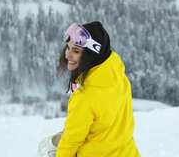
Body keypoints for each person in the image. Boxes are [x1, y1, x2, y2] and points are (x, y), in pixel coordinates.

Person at [53, 21, 140, 157]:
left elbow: (70, 143)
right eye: (68, 48)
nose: (67, 55)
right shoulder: (119, 78)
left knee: (46, 146)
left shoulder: (85, 97)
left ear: (90, 55)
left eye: (75, 51)